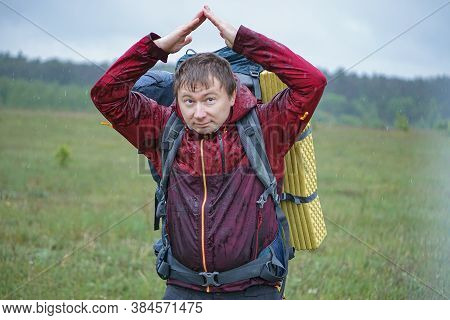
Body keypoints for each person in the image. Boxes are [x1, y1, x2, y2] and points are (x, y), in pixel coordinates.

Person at [90, 5, 327, 300]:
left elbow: (312, 82)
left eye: (209, 99)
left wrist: (245, 42)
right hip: (183, 287)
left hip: (253, 287)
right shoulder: (163, 128)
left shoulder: (265, 127)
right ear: (176, 99)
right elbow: (105, 95)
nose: (199, 113)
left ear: (232, 95)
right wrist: (155, 49)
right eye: (188, 101)